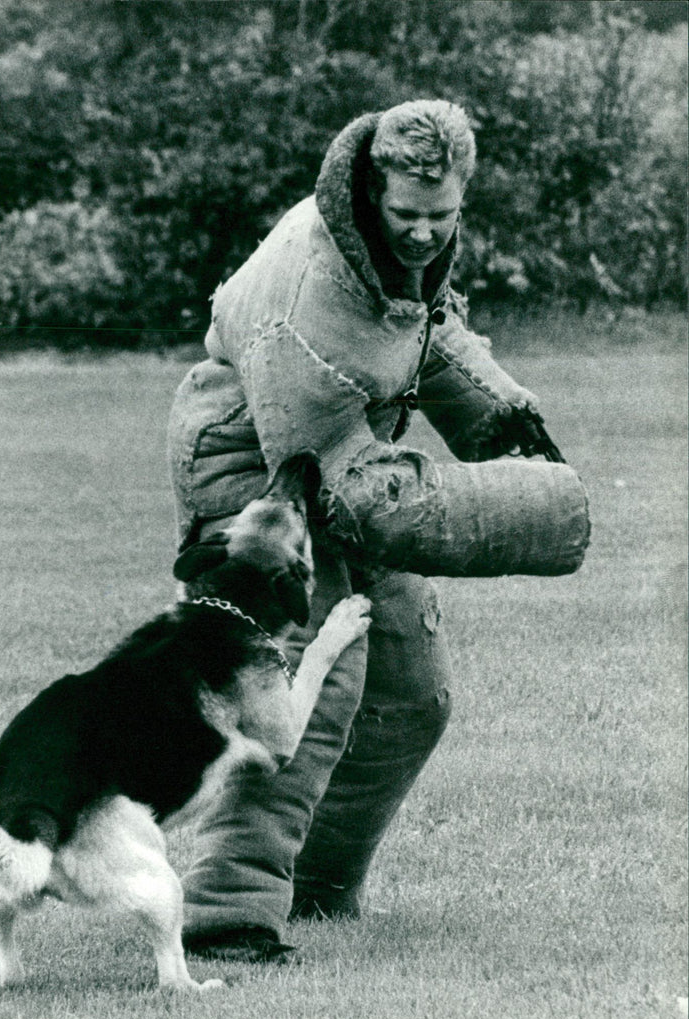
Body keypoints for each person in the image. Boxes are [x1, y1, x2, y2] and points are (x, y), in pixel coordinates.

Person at [167, 99, 589, 962]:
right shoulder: (307, 289)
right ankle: (225, 913)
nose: (427, 234)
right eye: (408, 216)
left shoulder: (396, 253)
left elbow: (427, 338)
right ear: (369, 190)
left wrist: (510, 427)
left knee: (410, 687)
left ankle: (318, 888)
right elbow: (350, 492)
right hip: (258, 477)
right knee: (310, 679)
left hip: (348, 459)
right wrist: (542, 515)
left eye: (444, 217)